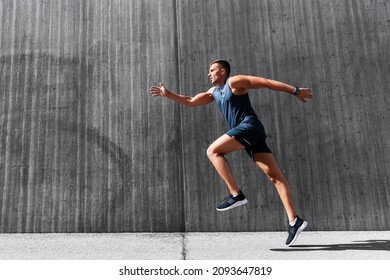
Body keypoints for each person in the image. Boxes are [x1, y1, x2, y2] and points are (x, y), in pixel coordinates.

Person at [150, 59, 313, 246]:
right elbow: (191, 101)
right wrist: (168, 94)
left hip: (248, 127)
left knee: (213, 151)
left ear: (223, 71)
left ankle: (236, 194)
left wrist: (296, 91)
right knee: (275, 177)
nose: (209, 74)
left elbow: (266, 83)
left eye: (212, 70)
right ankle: (295, 221)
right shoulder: (214, 92)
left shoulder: (234, 82)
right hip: (250, 134)